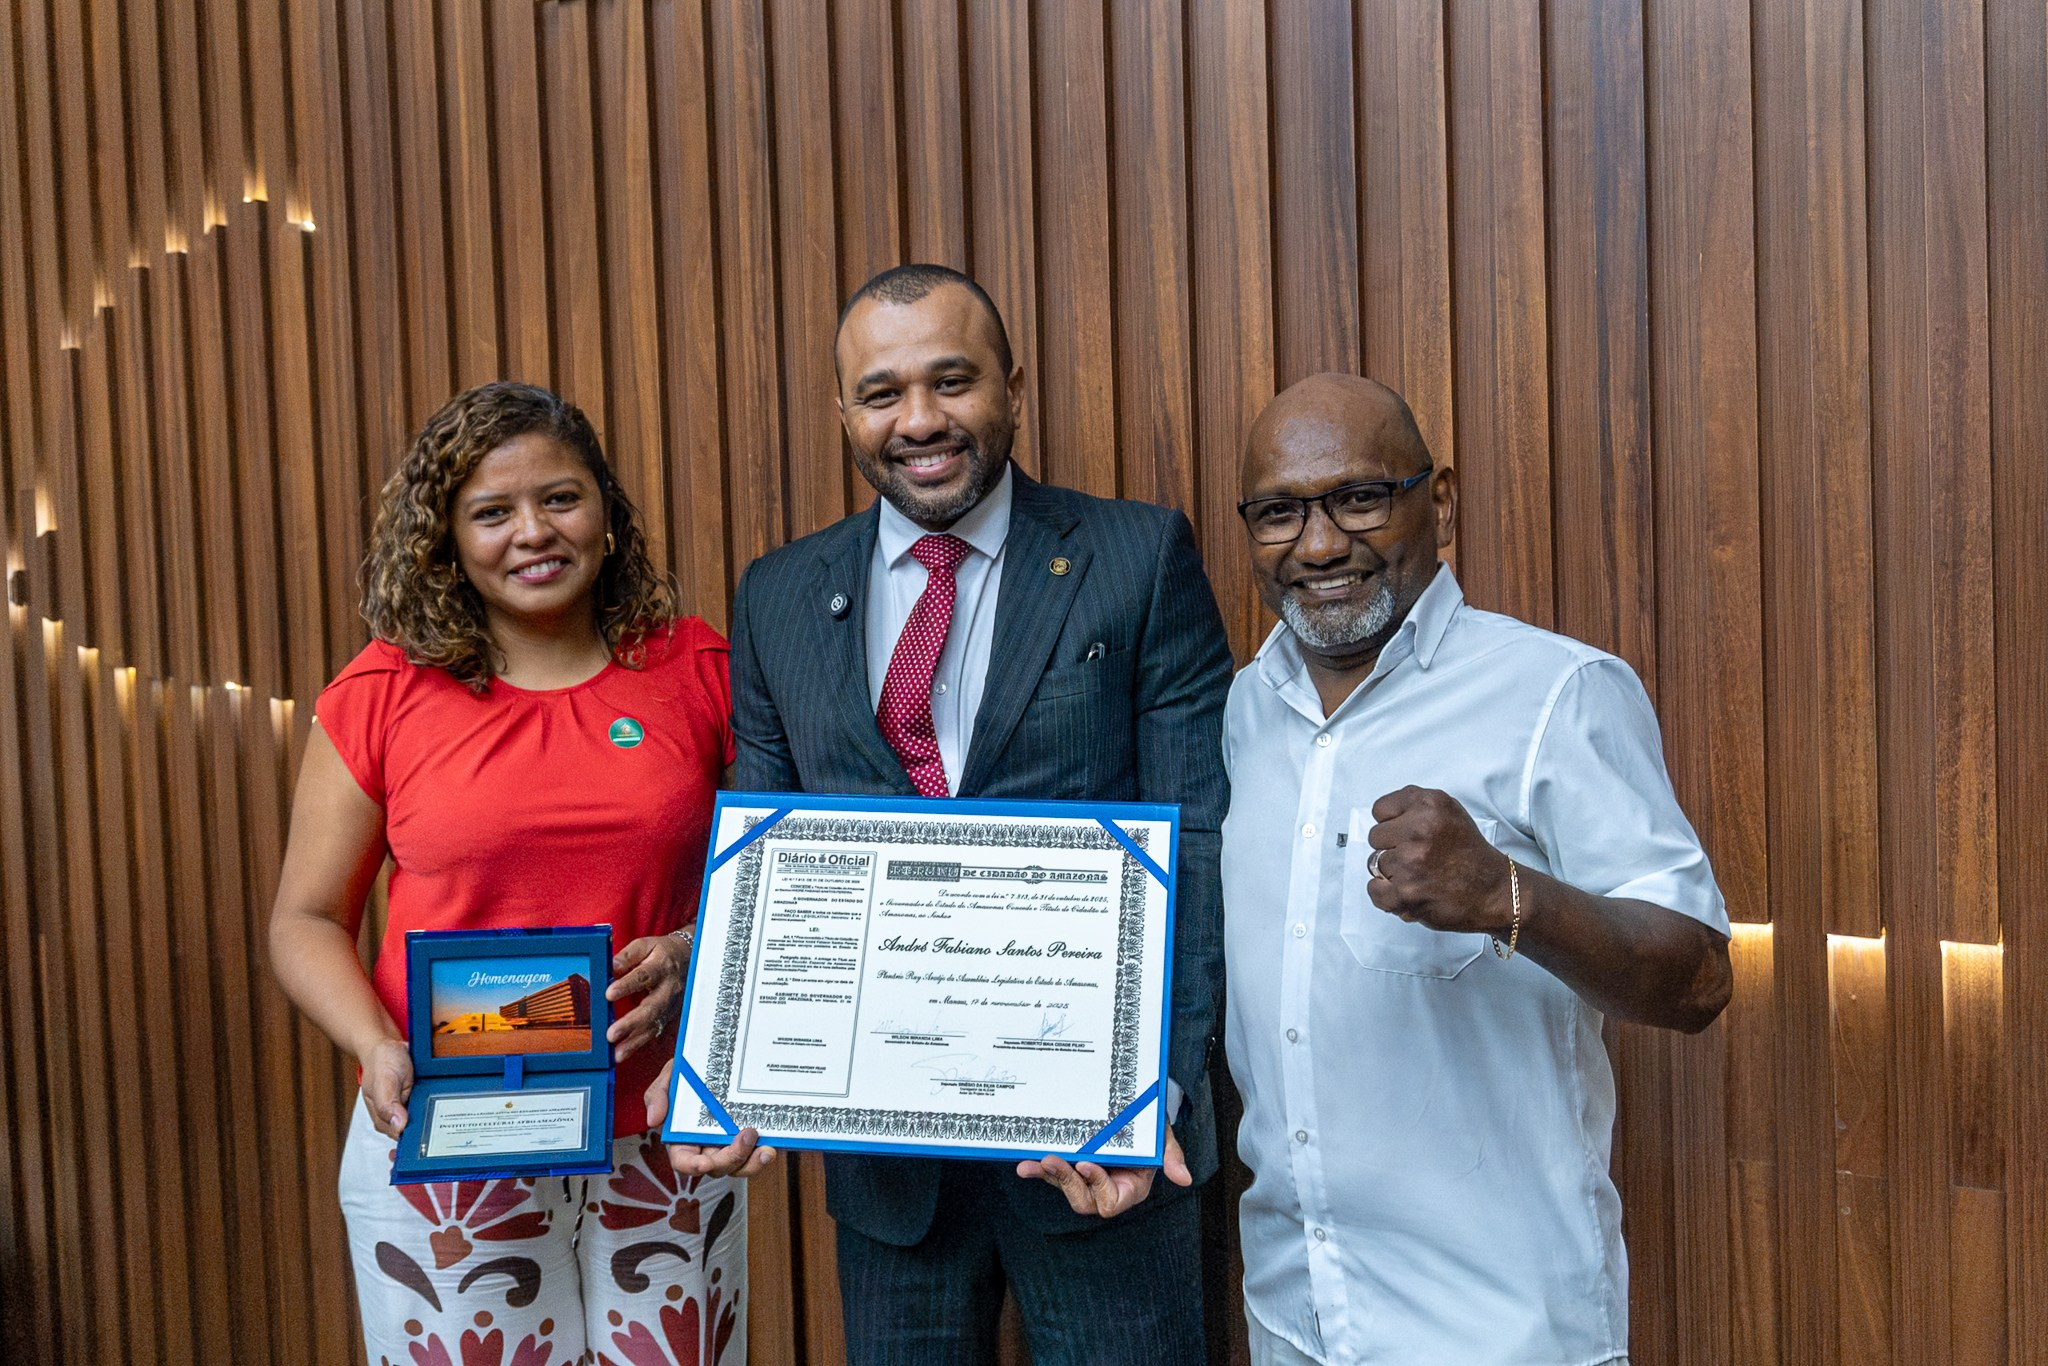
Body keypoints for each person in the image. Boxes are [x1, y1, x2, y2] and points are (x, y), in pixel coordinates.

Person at [665, 264, 1232, 1363]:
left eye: (951, 380)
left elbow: (1194, 836)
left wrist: (1151, 1087)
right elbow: (766, 858)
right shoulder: (777, 592)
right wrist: (723, 1066)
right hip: (889, 1181)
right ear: (843, 413)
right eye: (880, 393)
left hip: (1099, 1147)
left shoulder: (1136, 555)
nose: (917, 420)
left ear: (1011, 388)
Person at [1221, 374, 1732, 1365]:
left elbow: (1700, 978)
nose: (1318, 544)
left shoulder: (1555, 693)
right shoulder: (1244, 712)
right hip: (1294, 1316)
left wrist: (1508, 896)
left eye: (1359, 497)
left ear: (1439, 503)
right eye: (1279, 512)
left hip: (1497, 1330)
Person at [269, 382, 745, 1366]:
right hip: (452, 1131)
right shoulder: (379, 693)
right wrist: (374, 1044)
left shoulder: (696, 668)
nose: (532, 531)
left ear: (608, 516)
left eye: (560, 499)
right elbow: (305, 917)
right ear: (449, 540)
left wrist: (697, 949)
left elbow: (783, 882)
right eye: (492, 511)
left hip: (663, 1129)